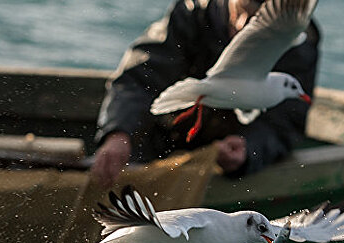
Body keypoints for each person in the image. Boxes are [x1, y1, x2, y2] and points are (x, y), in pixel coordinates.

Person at [91, 0, 320, 188]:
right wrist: (119, 132)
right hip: (164, 143)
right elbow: (140, 76)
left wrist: (249, 148)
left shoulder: (297, 43)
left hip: (227, 167)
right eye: (239, 11)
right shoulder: (194, 12)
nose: (242, 26)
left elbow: (286, 121)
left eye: (254, 20)